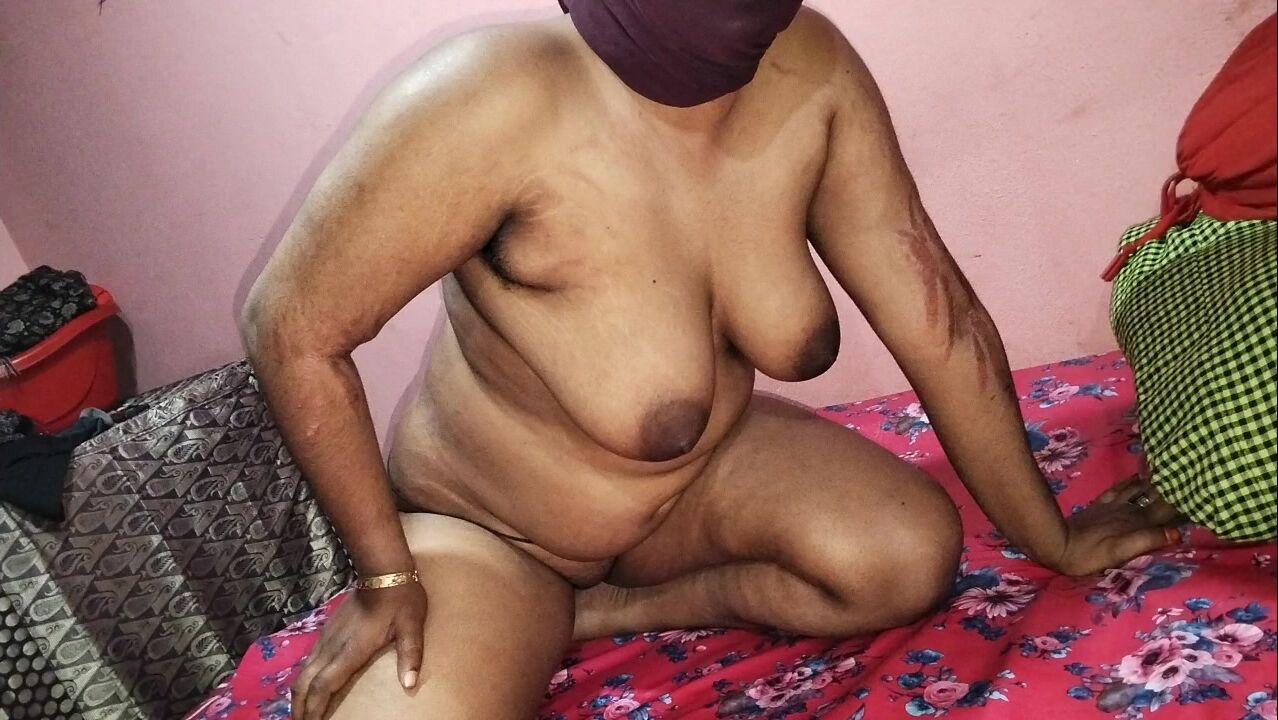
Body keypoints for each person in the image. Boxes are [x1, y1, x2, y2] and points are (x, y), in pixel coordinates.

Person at [240, 2, 1181, 718]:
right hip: (493, 531)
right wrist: (386, 574)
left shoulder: (811, 69)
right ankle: (536, 607)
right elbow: (291, 326)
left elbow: (938, 319)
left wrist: (1050, 538)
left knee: (904, 556)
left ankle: (604, 611)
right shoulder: (491, 96)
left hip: (690, 486)